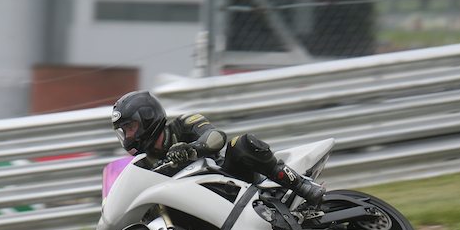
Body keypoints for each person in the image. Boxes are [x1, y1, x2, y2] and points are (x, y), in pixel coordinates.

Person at [111, 90, 325, 204]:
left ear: (147, 117)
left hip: (230, 178)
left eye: (130, 127)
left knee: (240, 144)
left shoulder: (183, 123)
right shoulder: (143, 163)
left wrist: (192, 149)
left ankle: (300, 185)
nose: (128, 136)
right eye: (124, 131)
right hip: (196, 201)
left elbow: (216, 136)